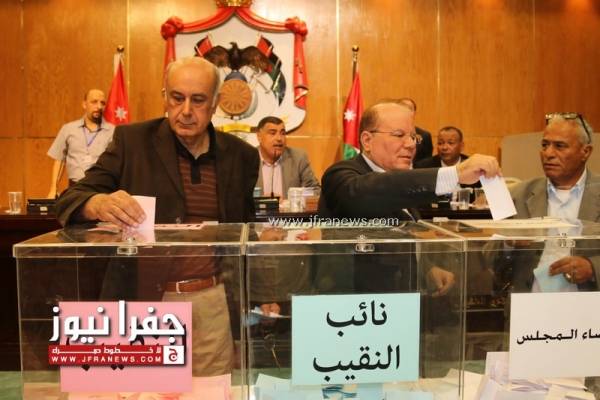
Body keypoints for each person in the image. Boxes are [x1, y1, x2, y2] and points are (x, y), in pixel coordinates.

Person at [56, 56, 260, 377]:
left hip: (212, 301)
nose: (186, 111)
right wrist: (98, 203)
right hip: (146, 302)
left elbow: (244, 232)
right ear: (165, 97)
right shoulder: (132, 142)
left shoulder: (242, 155)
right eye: (177, 98)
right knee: (148, 392)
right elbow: (70, 198)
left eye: (198, 100)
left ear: (216, 103)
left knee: (212, 392)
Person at [318, 100, 501, 296]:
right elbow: (372, 191)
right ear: (367, 140)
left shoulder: (402, 179)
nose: (411, 144)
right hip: (354, 299)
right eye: (399, 135)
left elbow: (401, 238)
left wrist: (427, 269)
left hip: (400, 299)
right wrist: (455, 174)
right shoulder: (340, 175)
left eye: (413, 137)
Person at [497, 112, 599, 291]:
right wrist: (508, 243)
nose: (548, 153)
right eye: (545, 145)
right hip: (530, 301)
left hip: (588, 302)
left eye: (560, 146)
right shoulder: (518, 195)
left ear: (585, 152)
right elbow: (488, 257)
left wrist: (593, 268)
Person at [46, 89, 115, 198]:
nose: (99, 106)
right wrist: (53, 189)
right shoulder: (68, 129)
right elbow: (59, 159)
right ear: (84, 104)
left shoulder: (112, 131)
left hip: (100, 190)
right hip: (75, 187)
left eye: (102, 103)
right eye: (94, 102)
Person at [255, 116, 319, 198]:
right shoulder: (247, 159)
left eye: (283, 133)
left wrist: (293, 197)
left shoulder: (298, 158)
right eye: (272, 133)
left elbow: (315, 190)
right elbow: (240, 194)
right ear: (259, 136)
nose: (279, 138)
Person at [397, 97, 433, 163]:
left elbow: (427, 161)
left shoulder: (424, 135)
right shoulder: (390, 132)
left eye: (409, 108)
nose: (406, 111)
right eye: (402, 108)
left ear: (414, 112)